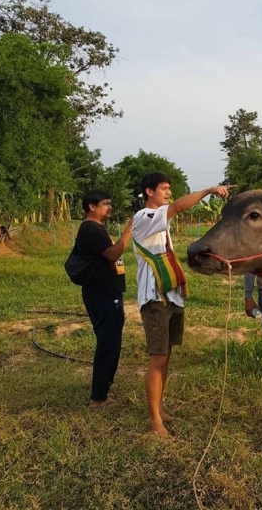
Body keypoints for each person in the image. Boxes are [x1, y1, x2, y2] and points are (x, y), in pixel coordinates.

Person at [133, 172, 231, 437]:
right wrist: (210, 189)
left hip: (171, 295)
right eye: (164, 188)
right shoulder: (145, 218)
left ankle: (160, 409)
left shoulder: (159, 223)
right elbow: (176, 207)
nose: (168, 192)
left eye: (169, 188)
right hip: (154, 298)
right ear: (148, 191)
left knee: (166, 357)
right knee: (157, 359)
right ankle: (155, 420)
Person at [74, 190, 134, 409]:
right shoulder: (90, 229)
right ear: (92, 206)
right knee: (108, 345)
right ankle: (98, 398)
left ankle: (103, 389)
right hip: (102, 295)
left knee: (110, 342)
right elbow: (112, 254)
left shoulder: (96, 228)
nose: (110, 207)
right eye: (105, 203)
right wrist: (130, 228)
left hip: (107, 293)